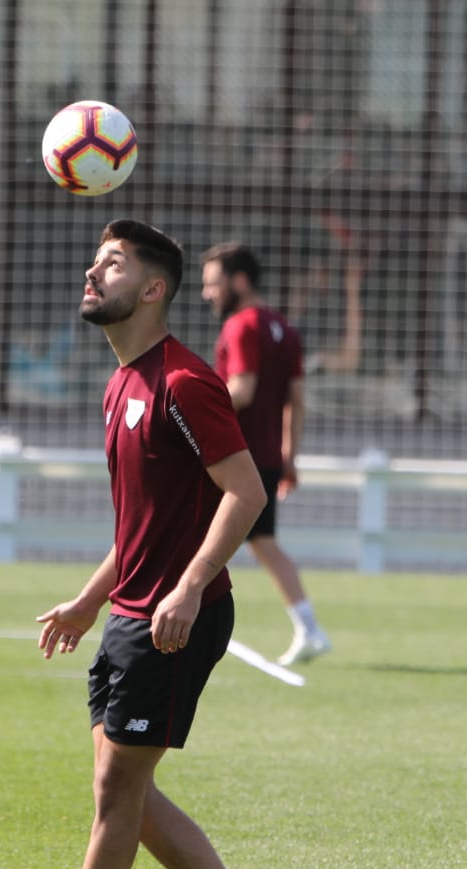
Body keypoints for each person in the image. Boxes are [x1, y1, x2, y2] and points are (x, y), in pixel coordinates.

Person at [0, 219, 294, 869]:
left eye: (112, 265)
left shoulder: (185, 382)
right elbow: (142, 525)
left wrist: (188, 587)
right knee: (122, 793)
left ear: (153, 289)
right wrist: (90, 600)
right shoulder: (122, 383)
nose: (93, 272)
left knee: (118, 796)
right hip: (129, 615)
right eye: (95, 260)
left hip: (175, 620)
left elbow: (246, 492)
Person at [200, 243, 332, 667]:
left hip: (234, 461)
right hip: (267, 458)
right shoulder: (283, 328)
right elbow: (296, 398)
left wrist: (189, 411)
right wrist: (290, 457)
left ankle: (183, 618)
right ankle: (309, 627)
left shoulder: (242, 326)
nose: (208, 294)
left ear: (240, 281)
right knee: (263, 543)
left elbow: (242, 389)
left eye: (213, 284)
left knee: (199, 537)